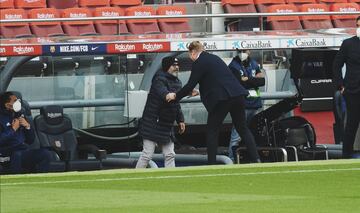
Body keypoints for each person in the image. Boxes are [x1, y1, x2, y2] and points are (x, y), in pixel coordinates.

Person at [167, 41, 260, 164]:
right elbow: (217, 79)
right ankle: (257, 159)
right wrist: (198, 91)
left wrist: (175, 97)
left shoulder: (199, 62)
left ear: (193, 52)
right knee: (242, 128)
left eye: (190, 54)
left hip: (222, 98)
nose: (190, 57)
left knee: (212, 130)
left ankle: (212, 163)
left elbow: (190, 84)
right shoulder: (214, 58)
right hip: (238, 94)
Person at [136, 56, 186, 168]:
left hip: (166, 124)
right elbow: (164, 94)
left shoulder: (177, 82)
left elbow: (176, 103)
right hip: (152, 122)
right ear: (167, 67)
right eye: (173, 65)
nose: (176, 68)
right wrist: (168, 95)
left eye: (177, 65)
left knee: (170, 154)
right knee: (147, 154)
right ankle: (136, 176)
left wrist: (180, 119)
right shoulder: (158, 79)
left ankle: (170, 178)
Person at [227, 49, 265, 161]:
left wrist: (248, 79)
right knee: (236, 136)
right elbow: (239, 83)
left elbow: (262, 81)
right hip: (241, 105)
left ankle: (248, 158)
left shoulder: (253, 63)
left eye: (245, 50)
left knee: (252, 134)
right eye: (240, 50)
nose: (243, 52)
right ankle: (231, 159)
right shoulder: (233, 65)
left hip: (255, 104)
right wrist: (253, 80)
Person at [0, 91, 51, 173]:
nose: (18, 102)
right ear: (7, 105)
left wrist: (28, 126)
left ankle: (41, 180)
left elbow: (30, 140)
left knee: (45, 154)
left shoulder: (20, 115)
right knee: (17, 155)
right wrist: (13, 129)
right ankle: (16, 181)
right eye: (15, 100)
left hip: (23, 151)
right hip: (7, 153)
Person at [333, 16, 360, 158]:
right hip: (353, 90)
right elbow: (337, 65)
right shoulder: (348, 43)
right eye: (358, 25)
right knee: (351, 125)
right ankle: (346, 155)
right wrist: (340, 85)